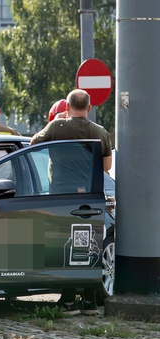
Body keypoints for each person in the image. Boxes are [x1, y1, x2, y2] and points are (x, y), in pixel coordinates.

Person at [30, 88, 113, 316]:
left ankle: (67, 300)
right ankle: (88, 301)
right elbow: (106, 167)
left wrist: (57, 123)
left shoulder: (57, 127)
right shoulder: (100, 132)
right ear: (89, 108)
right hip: (90, 195)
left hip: (62, 197)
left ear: (66, 107)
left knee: (63, 245)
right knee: (89, 245)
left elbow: (33, 143)